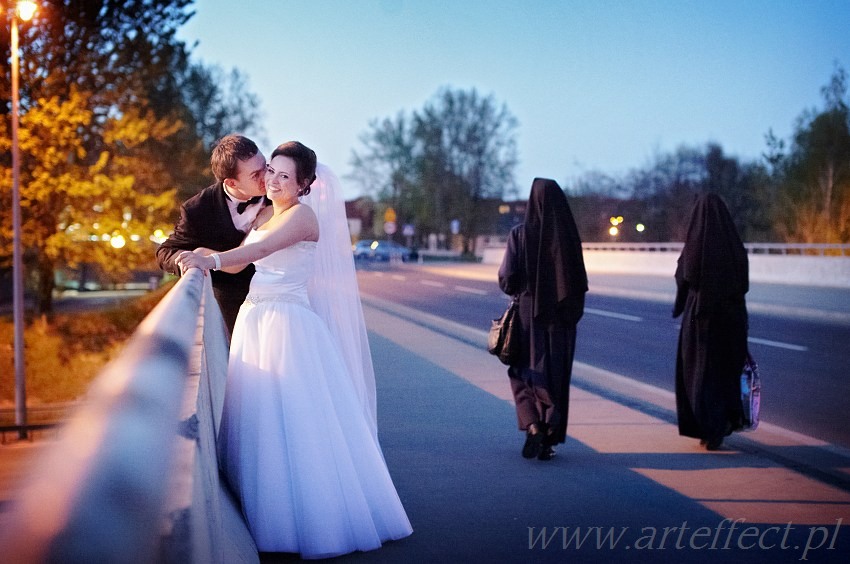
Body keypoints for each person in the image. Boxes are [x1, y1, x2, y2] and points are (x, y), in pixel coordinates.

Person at [175, 141, 412, 558]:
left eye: (285, 175)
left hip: (286, 325)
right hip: (256, 322)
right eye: (272, 172)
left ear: (304, 185)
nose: (274, 179)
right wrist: (197, 255)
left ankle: (316, 519)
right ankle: (272, 515)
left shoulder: (303, 217)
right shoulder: (269, 213)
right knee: (263, 422)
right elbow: (239, 263)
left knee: (297, 422)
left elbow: (259, 251)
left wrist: (208, 263)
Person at [498, 178, 588, 461]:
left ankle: (532, 425)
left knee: (522, 370)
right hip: (560, 320)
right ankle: (548, 437)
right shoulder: (570, 239)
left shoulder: (520, 235)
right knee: (555, 375)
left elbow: (507, 279)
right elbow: (578, 283)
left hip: (527, 315)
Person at [156, 134, 268, 337]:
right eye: (255, 175)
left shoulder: (279, 191)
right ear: (232, 183)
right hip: (233, 306)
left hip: (280, 298)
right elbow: (165, 251)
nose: (266, 177)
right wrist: (187, 261)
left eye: (265, 167)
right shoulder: (198, 209)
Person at [672, 192, 749, 450]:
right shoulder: (734, 245)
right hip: (731, 319)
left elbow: (687, 274)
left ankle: (706, 426)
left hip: (701, 318)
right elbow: (743, 283)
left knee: (700, 374)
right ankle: (722, 424)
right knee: (725, 372)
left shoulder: (695, 245)